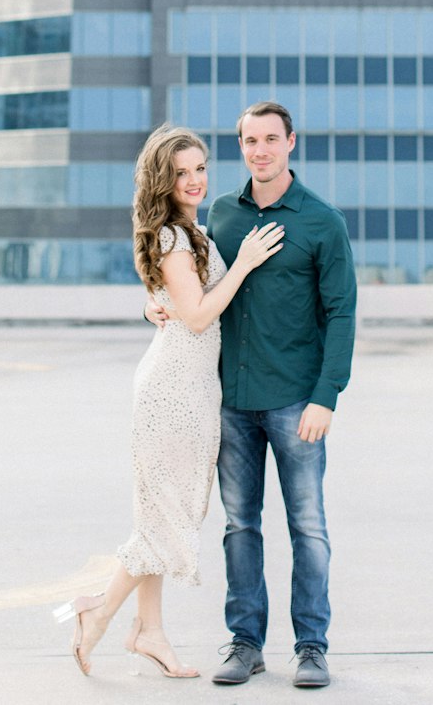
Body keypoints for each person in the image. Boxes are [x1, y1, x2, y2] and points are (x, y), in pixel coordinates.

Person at [55, 123, 284, 679]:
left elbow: (177, 301)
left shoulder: (189, 233)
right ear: (163, 179)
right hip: (173, 392)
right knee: (169, 519)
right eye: (181, 173)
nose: (195, 181)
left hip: (194, 387)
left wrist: (153, 304)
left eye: (200, 169)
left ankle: (150, 631)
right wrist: (247, 262)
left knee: (160, 514)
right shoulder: (173, 237)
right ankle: (99, 614)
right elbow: (202, 314)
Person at [151, 102, 356, 690]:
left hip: (296, 400)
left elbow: (342, 312)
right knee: (240, 526)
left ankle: (312, 647)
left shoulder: (322, 222)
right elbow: (193, 282)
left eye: (271, 139)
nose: (259, 150)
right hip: (232, 399)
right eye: (248, 141)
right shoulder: (221, 213)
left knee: (308, 527)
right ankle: (245, 643)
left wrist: (327, 395)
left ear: (291, 142)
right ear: (240, 146)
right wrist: (155, 303)